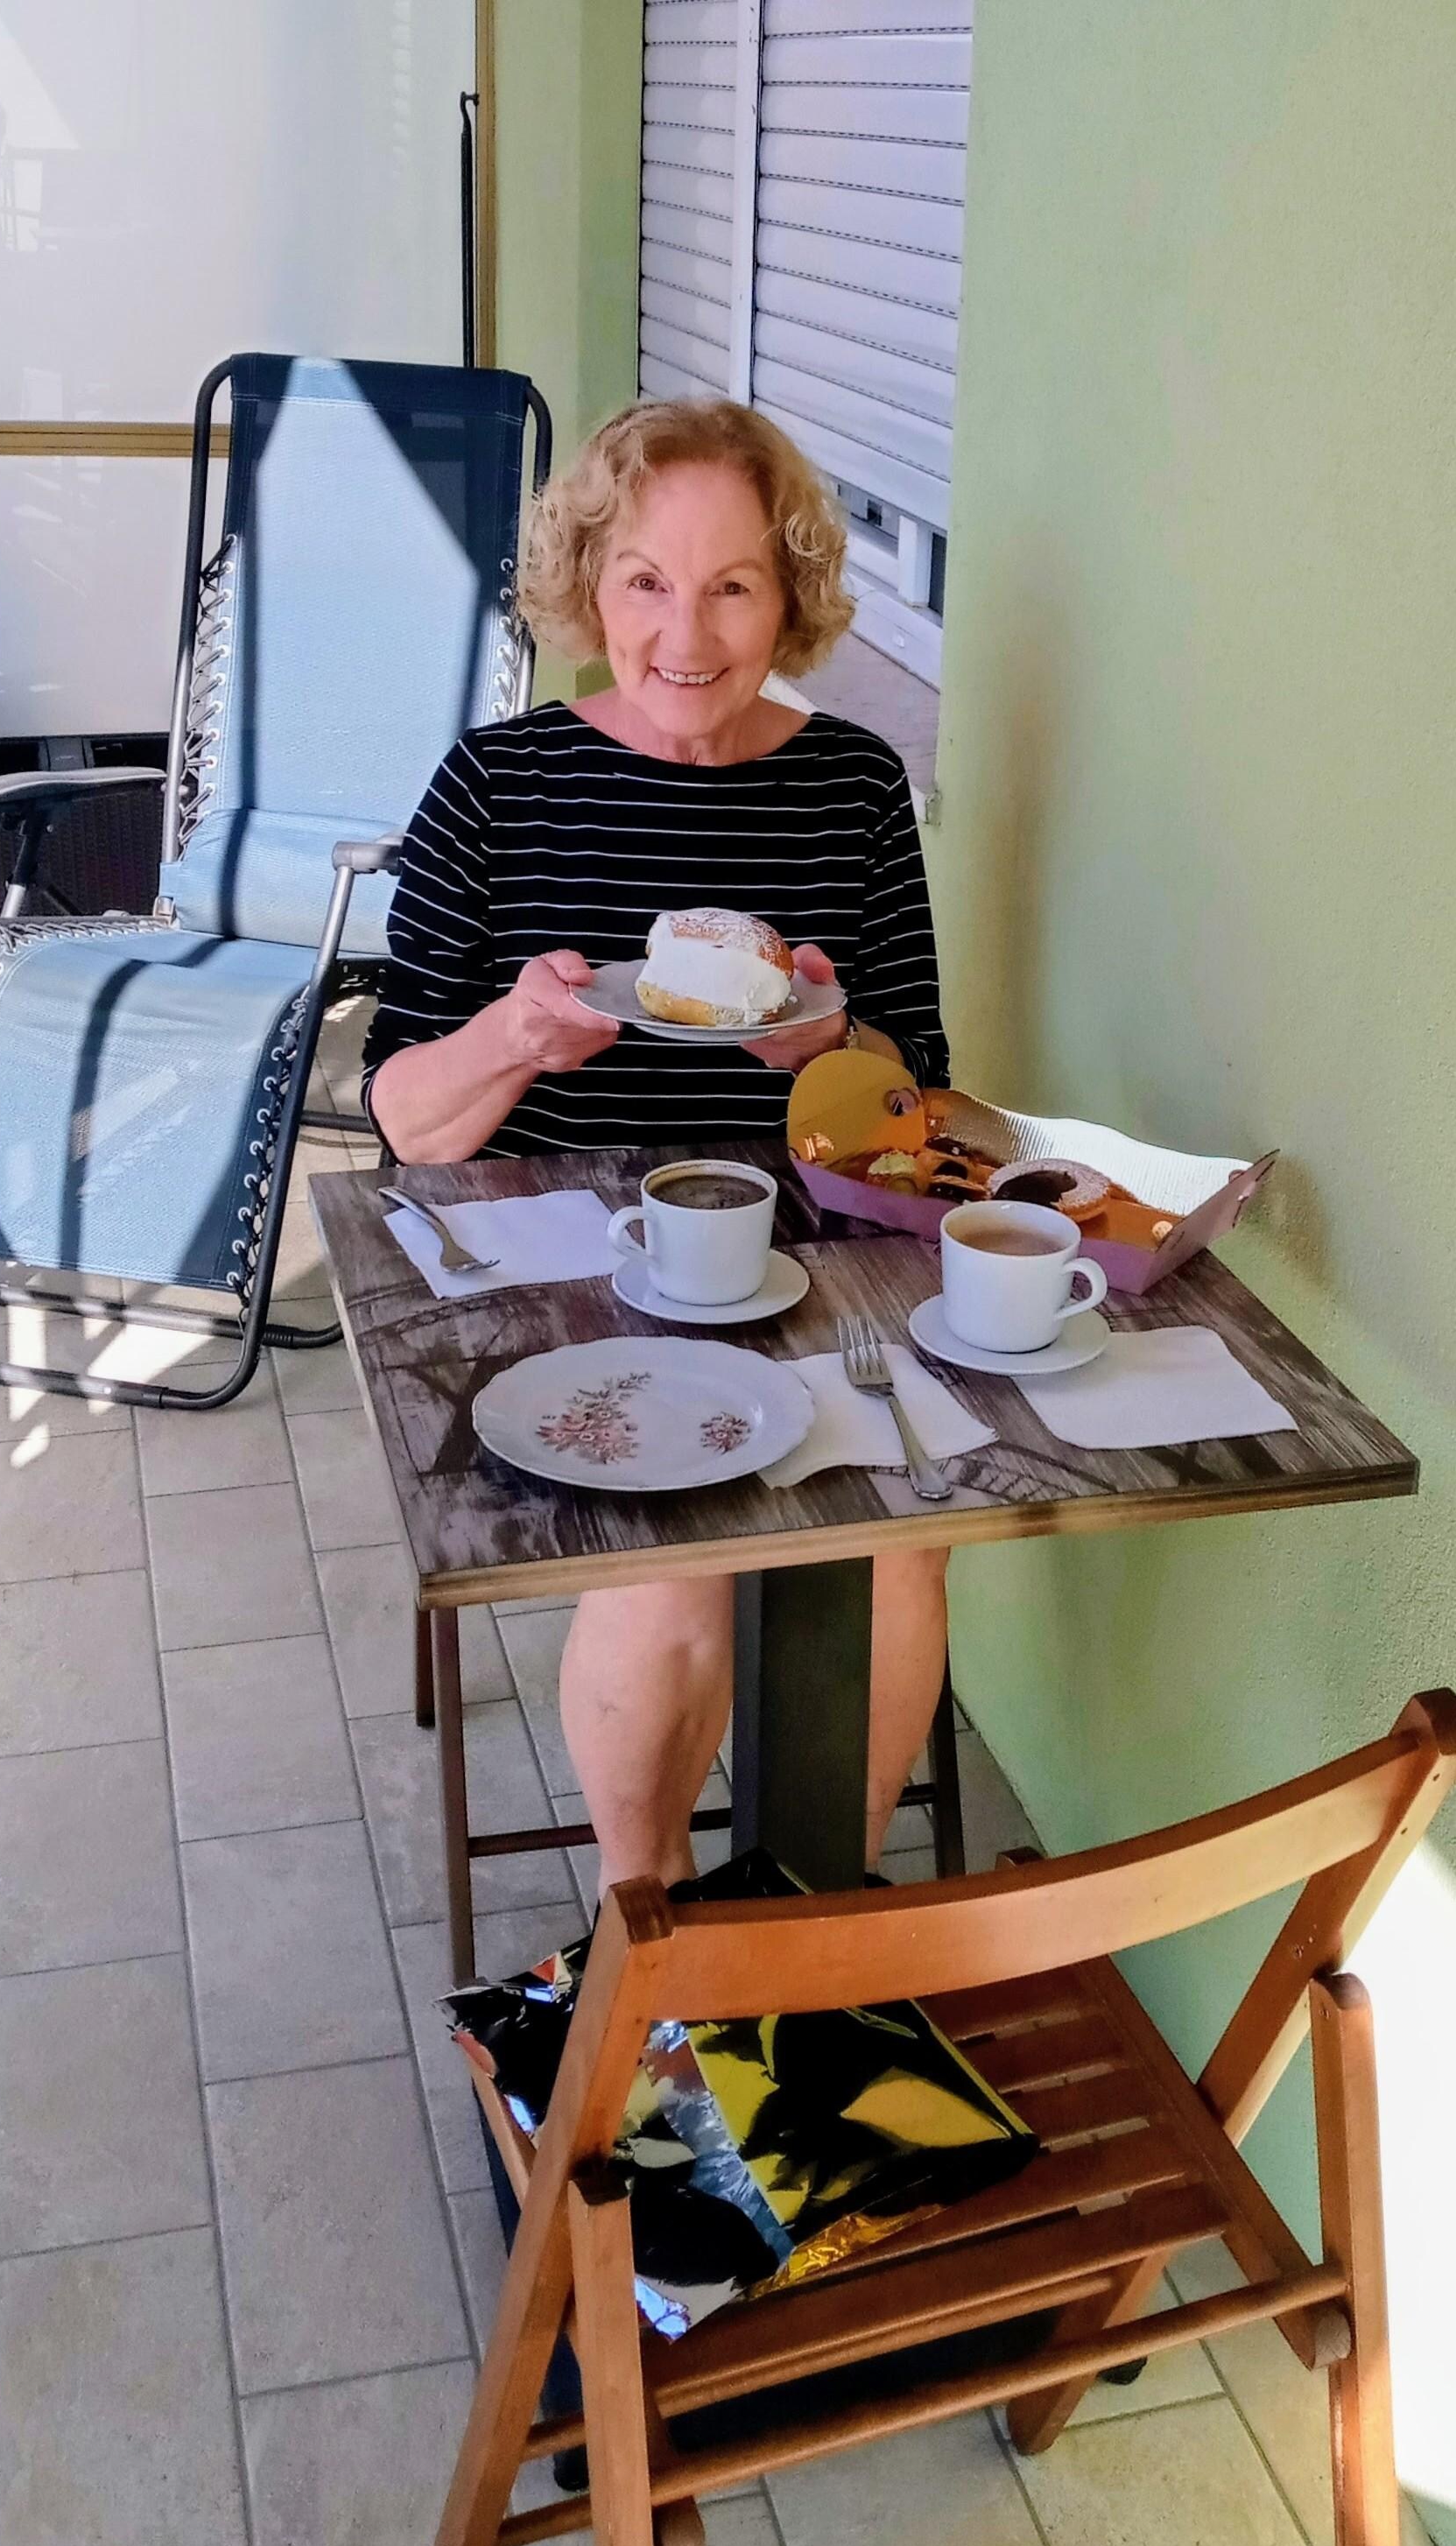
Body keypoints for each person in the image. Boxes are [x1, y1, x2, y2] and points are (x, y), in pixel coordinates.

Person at [361, 397, 952, 1890]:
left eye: (734, 585)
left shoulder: (854, 788)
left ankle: (816, 1935)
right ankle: (657, 1931)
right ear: (590, 586)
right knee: (682, 1533)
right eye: (645, 581)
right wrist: (513, 1036)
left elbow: (918, 1102)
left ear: (790, 596)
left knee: (900, 1540)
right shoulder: (495, 787)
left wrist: (832, 1052)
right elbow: (403, 1115)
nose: (686, 633)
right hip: (567, 1264)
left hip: (803, 1259)